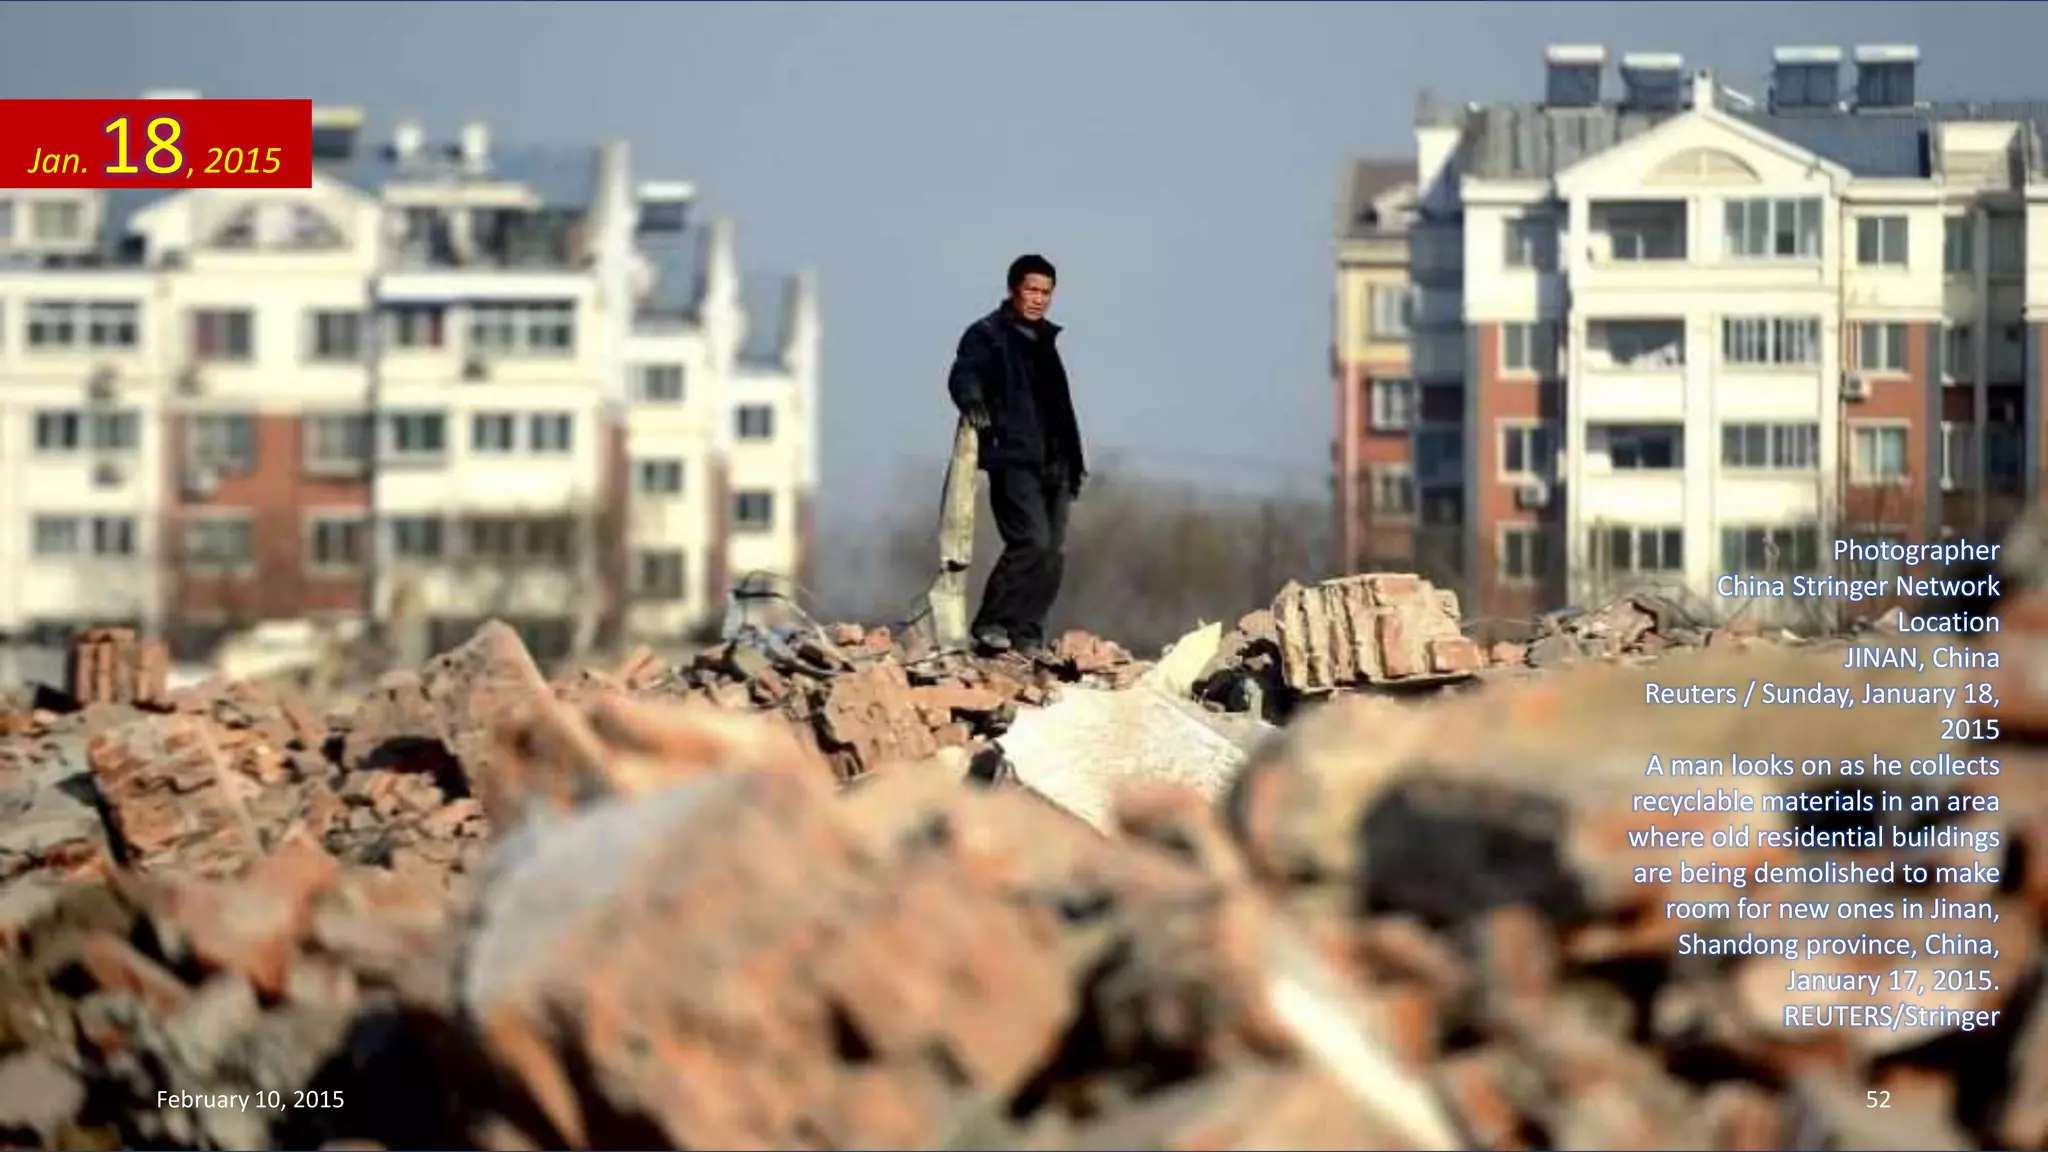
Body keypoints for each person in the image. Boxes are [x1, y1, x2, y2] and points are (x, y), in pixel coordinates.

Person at [945, 253, 1088, 657]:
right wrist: (971, 399)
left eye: (1046, 292)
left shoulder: (1045, 341)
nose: (1039, 299)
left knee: (1052, 553)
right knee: (1030, 540)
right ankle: (991, 623)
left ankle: (1027, 633)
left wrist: (1073, 463)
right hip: (1014, 459)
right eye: (1032, 290)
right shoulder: (988, 334)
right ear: (1013, 289)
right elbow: (964, 371)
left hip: (1058, 463)